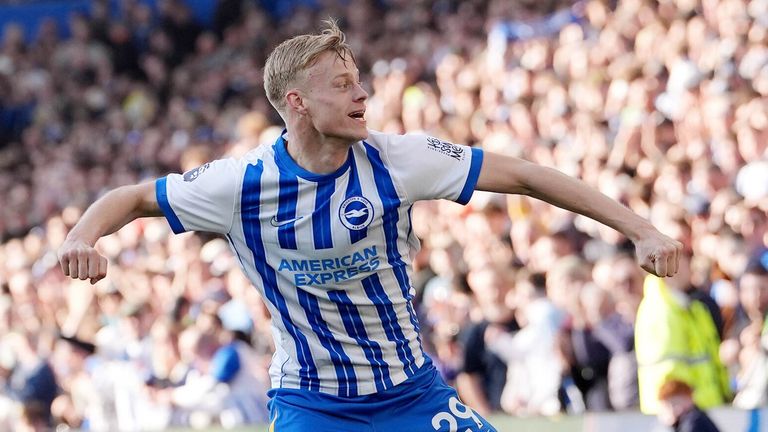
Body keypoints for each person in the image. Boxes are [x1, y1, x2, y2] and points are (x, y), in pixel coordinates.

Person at [57, 20, 682, 432]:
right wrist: (81, 236)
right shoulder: (239, 184)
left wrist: (641, 229)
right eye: (343, 84)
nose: (362, 95)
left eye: (359, 80)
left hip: (412, 393)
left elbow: (524, 176)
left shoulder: (398, 158)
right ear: (297, 103)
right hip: (311, 403)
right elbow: (134, 197)